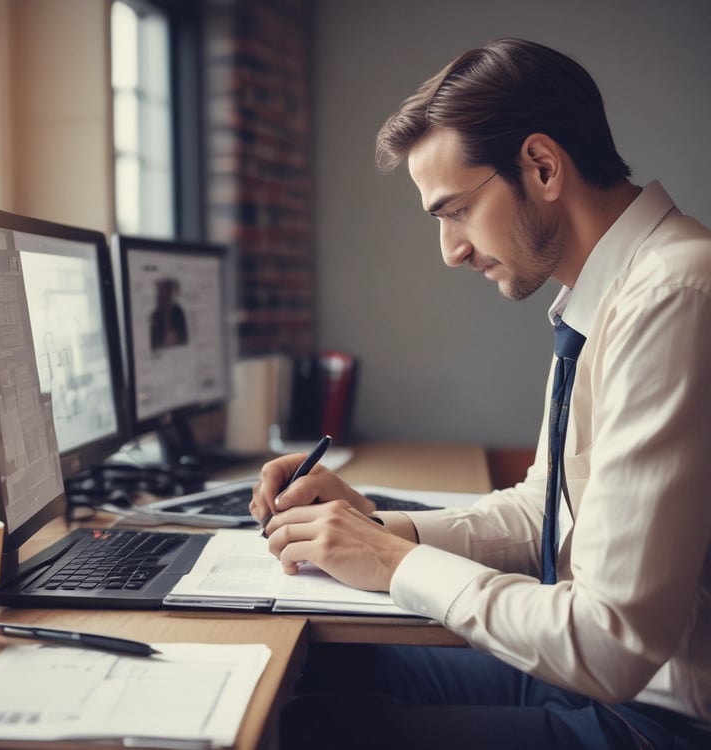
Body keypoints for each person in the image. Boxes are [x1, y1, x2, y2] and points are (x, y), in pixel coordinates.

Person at [249, 38, 711, 749]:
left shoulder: (673, 295)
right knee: (328, 674)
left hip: (661, 716)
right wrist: (377, 529)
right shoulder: (609, 293)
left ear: (543, 166)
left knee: (314, 729)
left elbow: (610, 642)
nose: (451, 250)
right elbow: (544, 513)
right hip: (609, 684)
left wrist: (394, 563)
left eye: (456, 210)